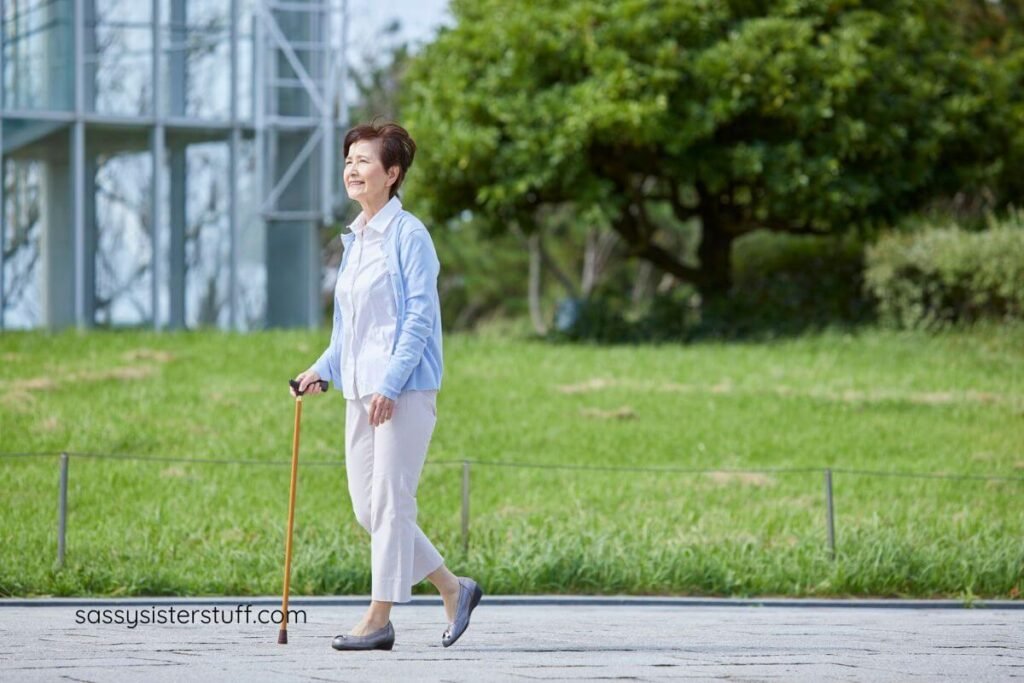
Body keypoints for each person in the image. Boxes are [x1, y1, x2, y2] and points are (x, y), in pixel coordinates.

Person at [291, 120, 482, 651]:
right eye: (349, 159)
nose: (352, 168)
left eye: (364, 161)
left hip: (403, 391)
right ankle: (452, 587)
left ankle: (379, 619)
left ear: (392, 173)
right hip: (360, 391)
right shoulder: (354, 241)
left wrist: (392, 385)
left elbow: (419, 319)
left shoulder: (410, 235)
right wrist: (319, 370)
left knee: (393, 503)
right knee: (367, 509)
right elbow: (351, 330)